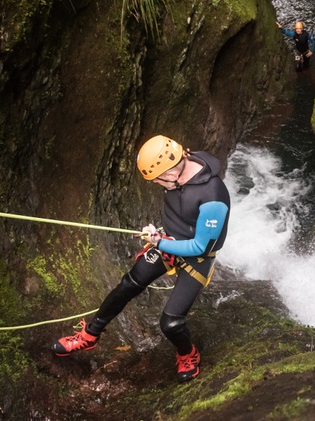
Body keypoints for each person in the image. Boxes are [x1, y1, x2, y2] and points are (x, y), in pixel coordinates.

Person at [51, 134, 231, 384]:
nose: (156, 184)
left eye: (156, 180)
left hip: (197, 255)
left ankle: (188, 354)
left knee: (170, 323)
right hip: (169, 240)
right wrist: (161, 237)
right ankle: (89, 336)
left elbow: (201, 246)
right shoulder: (181, 167)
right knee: (128, 285)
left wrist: (159, 242)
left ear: (169, 174)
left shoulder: (213, 196)